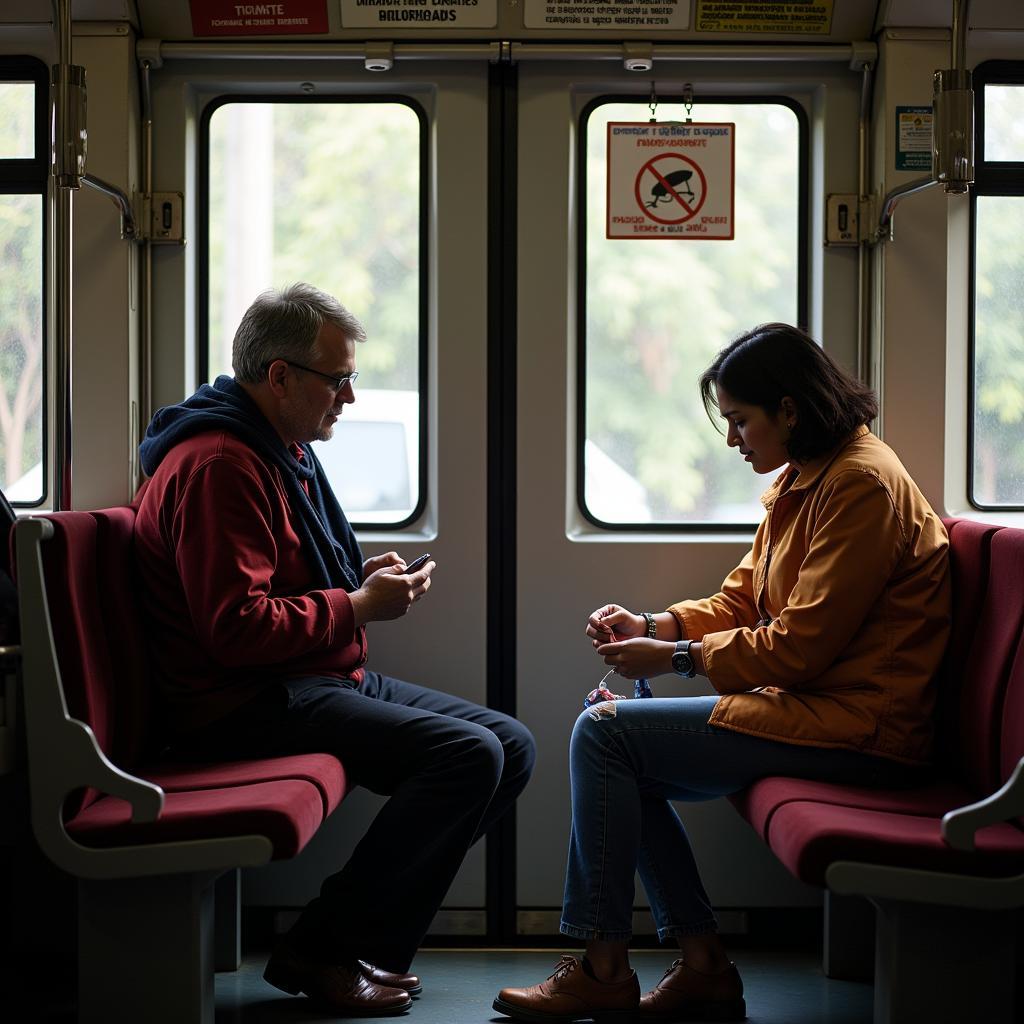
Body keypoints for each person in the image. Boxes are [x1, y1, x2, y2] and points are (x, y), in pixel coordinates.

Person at [493, 323, 950, 1024]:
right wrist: (655, 626)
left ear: (789, 410)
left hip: (863, 728)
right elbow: (743, 598)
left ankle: (603, 969)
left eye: (741, 420)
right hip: (819, 708)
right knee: (615, 749)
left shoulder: (860, 486)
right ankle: (697, 966)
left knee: (605, 738)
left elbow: (800, 647)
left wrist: (676, 660)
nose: (733, 440)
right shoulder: (809, 478)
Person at [133, 283, 535, 1016]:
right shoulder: (222, 463)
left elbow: (280, 582)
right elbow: (234, 629)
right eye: (336, 378)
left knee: (510, 744)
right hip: (237, 701)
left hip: (306, 676)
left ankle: (349, 944)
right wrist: (353, 605)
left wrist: (357, 582)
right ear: (280, 376)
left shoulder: (276, 447)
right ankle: (321, 951)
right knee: (467, 756)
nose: (348, 397)